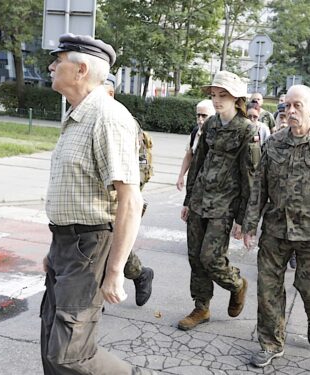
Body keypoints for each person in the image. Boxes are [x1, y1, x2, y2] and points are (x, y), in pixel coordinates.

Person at [41, 33, 153, 375]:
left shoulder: (108, 116)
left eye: (58, 60)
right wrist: (54, 248)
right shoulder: (78, 115)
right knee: (51, 344)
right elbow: (74, 192)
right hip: (65, 244)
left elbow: (130, 201)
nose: (51, 65)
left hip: (89, 246)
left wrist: (116, 271)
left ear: (80, 69)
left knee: (70, 354)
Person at [242, 85, 310, 367]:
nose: (290, 111)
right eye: (287, 105)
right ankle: (270, 343)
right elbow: (259, 187)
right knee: (268, 287)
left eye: (297, 106)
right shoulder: (274, 142)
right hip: (276, 229)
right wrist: (250, 224)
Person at [178, 71, 261, 331]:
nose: (216, 100)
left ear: (237, 98)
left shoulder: (248, 131)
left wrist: (243, 220)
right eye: (214, 95)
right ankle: (201, 307)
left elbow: (250, 178)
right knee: (195, 257)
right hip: (200, 200)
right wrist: (188, 199)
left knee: (211, 258)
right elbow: (198, 162)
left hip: (224, 206)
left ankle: (237, 284)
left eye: (222, 95)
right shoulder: (211, 124)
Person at [104, 73, 155, 307]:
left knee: (111, 243)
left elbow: (142, 169)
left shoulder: (125, 123)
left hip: (117, 199)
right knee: (104, 245)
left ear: (110, 92)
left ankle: (140, 274)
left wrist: (122, 197)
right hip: (97, 200)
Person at [176, 100, 215, 191]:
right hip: (194, 182)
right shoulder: (195, 133)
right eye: (198, 115)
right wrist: (181, 175)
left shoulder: (218, 135)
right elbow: (189, 155)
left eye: (204, 116)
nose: (200, 120)